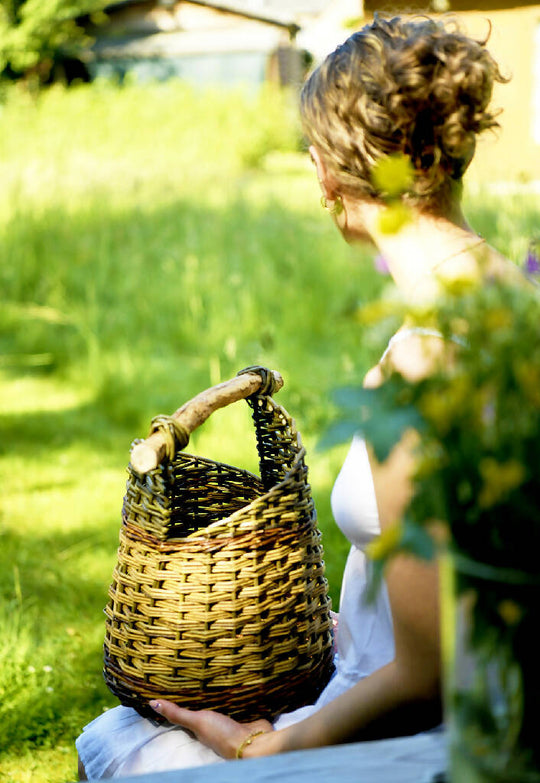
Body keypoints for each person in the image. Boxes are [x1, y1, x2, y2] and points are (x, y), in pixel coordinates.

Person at [77, 14, 513, 779]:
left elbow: (428, 673)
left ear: (329, 171)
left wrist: (258, 745)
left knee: (121, 739)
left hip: (455, 741)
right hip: (495, 696)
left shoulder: (426, 360)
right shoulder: (518, 299)